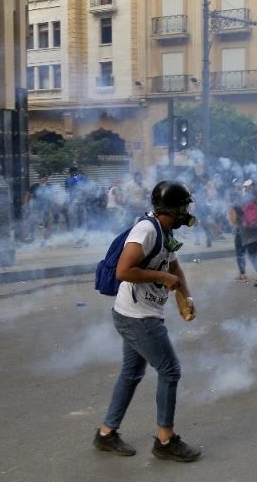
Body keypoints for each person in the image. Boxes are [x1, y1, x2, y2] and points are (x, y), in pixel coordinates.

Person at [93, 180, 201, 463]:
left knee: (131, 374)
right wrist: (161, 277)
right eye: (184, 207)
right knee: (170, 371)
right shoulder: (146, 230)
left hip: (139, 313)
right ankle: (165, 440)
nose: (186, 213)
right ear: (174, 208)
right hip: (137, 316)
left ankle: (106, 434)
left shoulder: (164, 232)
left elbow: (174, 266)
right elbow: (123, 270)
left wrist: (185, 298)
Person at [229, 180, 257, 287]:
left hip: (245, 233)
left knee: (243, 253)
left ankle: (251, 274)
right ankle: (255, 273)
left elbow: (234, 215)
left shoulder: (243, 201)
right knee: (254, 254)